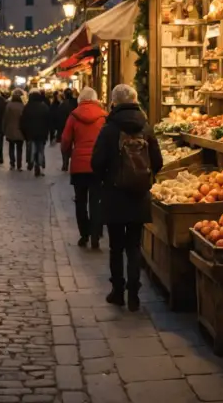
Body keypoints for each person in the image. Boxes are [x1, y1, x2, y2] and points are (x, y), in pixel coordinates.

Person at [91, 84, 163, 312]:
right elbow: (158, 161)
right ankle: (134, 295)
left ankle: (117, 292)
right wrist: (145, 177)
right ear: (135, 100)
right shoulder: (146, 127)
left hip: (114, 195)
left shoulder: (109, 129)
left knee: (116, 247)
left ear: (114, 102)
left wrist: (107, 178)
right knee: (134, 246)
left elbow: (96, 162)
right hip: (139, 195)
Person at [62, 87, 107, 248]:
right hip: (98, 165)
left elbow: (66, 140)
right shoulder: (103, 116)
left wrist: (67, 156)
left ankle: (84, 234)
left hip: (79, 165)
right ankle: (95, 234)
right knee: (96, 200)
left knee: (80, 201)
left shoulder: (74, 115)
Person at [21, 89, 50, 175]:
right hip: (41, 133)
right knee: (40, 150)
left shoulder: (27, 107)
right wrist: (47, 132)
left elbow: (23, 121)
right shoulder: (44, 106)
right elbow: (48, 121)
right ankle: (39, 165)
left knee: (32, 149)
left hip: (31, 133)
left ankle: (31, 162)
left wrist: (25, 133)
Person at [3, 88, 26, 171]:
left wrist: (4, 128)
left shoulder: (9, 105)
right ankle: (19, 165)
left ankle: (12, 163)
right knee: (19, 148)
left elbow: (5, 118)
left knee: (11, 147)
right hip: (20, 130)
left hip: (10, 129)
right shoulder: (22, 106)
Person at [57, 89, 78, 170]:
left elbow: (59, 118)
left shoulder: (62, 105)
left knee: (65, 146)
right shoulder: (75, 103)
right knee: (75, 145)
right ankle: (73, 161)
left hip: (64, 127)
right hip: (75, 127)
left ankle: (65, 163)